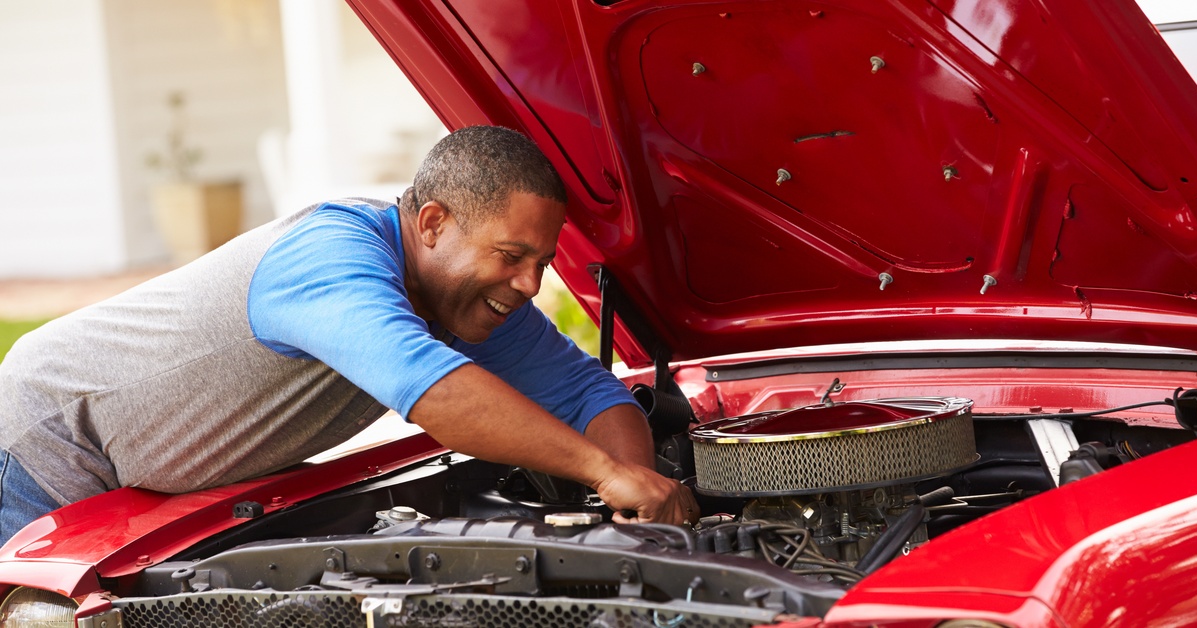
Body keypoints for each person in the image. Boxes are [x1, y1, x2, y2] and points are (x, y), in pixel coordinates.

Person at [0, 125, 698, 545]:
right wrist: (604, 472)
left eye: (541, 263)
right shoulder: (331, 258)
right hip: (47, 448)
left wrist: (634, 488)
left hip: (160, 474)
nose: (529, 284)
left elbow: (587, 392)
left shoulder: (467, 298)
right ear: (431, 225)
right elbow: (433, 392)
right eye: (512, 256)